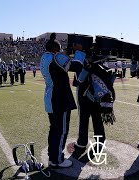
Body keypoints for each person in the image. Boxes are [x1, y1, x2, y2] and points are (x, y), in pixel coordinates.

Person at [40, 33, 86, 168]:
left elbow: (59, 62)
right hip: (59, 98)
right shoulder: (56, 57)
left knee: (54, 129)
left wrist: (65, 53)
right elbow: (77, 67)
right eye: (59, 49)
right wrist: (79, 51)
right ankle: (57, 159)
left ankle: (52, 156)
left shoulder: (45, 57)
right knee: (61, 130)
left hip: (50, 97)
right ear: (55, 49)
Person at [71, 56, 116, 159]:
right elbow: (109, 81)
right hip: (97, 97)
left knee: (84, 119)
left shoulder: (81, 61)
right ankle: (99, 141)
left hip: (84, 96)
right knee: (97, 120)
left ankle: (82, 143)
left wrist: (86, 67)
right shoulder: (101, 65)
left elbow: (79, 81)